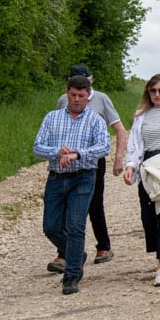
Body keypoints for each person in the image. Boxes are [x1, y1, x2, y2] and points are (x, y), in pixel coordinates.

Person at [34, 75, 111, 294]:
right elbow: (38, 147)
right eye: (73, 95)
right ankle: (75, 253)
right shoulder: (52, 118)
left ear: (88, 96)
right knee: (50, 227)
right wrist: (56, 152)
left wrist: (78, 154)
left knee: (75, 225)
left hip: (83, 177)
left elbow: (104, 147)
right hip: (56, 177)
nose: (77, 99)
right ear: (67, 93)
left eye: (81, 96)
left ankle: (72, 276)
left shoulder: (95, 120)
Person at [56, 64, 127, 265]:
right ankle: (64, 253)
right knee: (65, 205)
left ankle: (103, 246)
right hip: (67, 160)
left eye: (85, 80)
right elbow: (57, 126)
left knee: (94, 204)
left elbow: (120, 129)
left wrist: (119, 158)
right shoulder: (63, 100)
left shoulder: (101, 99)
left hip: (93, 160)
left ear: (91, 80)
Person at [122, 74, 160, 287]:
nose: (157, 95)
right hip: (147, 167)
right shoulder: (141, 116)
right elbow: (134, 144)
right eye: (153, 90)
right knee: (149, 216)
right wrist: (130, 166)